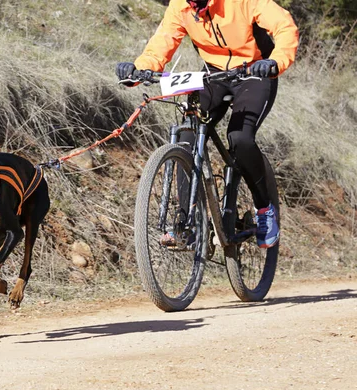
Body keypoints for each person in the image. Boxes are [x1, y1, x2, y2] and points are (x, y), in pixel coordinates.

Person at [116, 0, 299, 248]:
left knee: (240, 138)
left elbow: (284, 25)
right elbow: (162, 43)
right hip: (214, 75)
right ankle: (184, 223)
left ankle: (265, 209)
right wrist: (137, 70)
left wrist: (275, 60)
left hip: (255, 73)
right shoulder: (181, 6)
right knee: (188, 134)